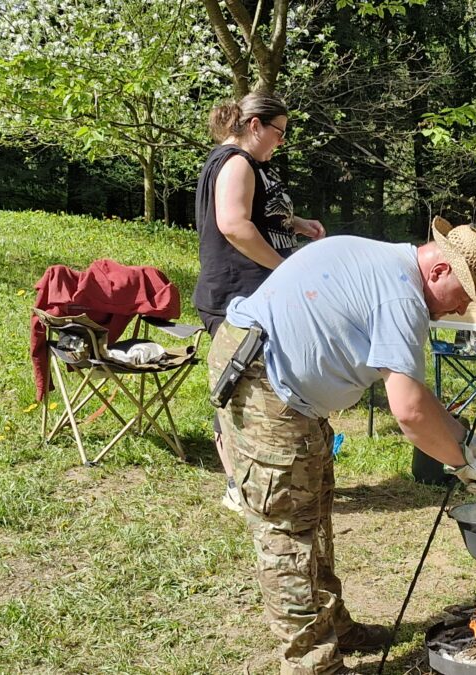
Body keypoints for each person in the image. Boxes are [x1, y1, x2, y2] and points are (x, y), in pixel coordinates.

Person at [207, 217, 476, 675]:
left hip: (286, 386)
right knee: (288, 533)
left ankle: (333, 625)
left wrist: (466, 439)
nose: (460, 309)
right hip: (263, 380)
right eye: (465, 295)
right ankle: (312, 664)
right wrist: (461, 466)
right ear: (439, 271)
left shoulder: (392, 267)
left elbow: (415, 393)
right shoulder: (401, 296)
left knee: (316, 510)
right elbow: (407, 412)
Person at [193, 92, 325, 512]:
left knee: (257, 389)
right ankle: (238, 485)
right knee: (240, 393)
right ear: (254, 126)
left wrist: (296, 224)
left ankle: (259, 481)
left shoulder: (251, 165)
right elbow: (233, 225)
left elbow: (258, 216)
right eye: (278, 132)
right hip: (237, 295)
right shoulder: (236, 162)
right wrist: (283, 268)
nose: (281, 141)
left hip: (253, 293)